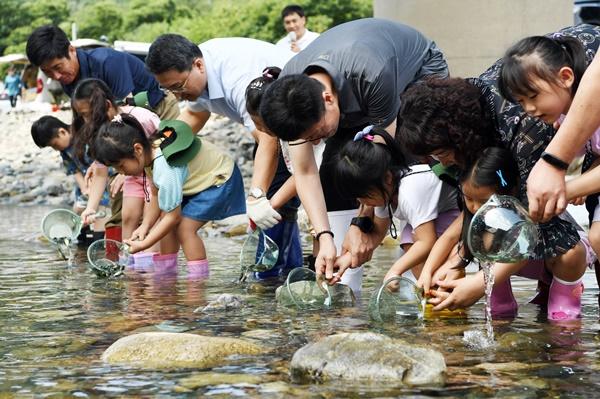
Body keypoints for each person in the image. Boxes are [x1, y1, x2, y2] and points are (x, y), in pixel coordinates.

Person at [397, 25, 600, 301]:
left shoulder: (530, 119)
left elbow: (530, 215)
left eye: (441, 153)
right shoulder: (487, 114)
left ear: (458, 137)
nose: (440, 162)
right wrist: (453, 263)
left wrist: (480, 283)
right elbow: (475, 210)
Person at [260, 18, 449, 291]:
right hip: (351, 98)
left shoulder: (374, 75)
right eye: (308, 139)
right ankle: (344, 289)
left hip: (415, 74)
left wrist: (362, 223)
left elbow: (379, 157)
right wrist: (324, 236)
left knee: (408, 168)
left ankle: (419, 269)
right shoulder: (292, 93)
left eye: (317, 134)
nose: (316, 141)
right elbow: (304, 171)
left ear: (327, 99)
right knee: (334, 173)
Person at [145, 34, 303, 277]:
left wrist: (255, 196)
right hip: (272, 131)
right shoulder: (198, 74)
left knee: (269, 203)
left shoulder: (237, 77)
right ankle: (290, 274)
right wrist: (154, 151)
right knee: (279, 206)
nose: (176, 96)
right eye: (169, 90)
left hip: (300, 119)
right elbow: (194, 117)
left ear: (198, 65)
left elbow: (268, 139)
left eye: (178, 87)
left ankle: (267, 279)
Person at [422, 147, 591, 320]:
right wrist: (427, 273)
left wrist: (476, 286)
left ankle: (565, 313)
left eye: (483, 201)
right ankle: (502, 310)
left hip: (555, 255)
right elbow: (449, 237)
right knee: (499, 311)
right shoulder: (477, 215)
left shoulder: (528, 206)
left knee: (570, 257)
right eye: (468, 198)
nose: (474, 207)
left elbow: (524, 247)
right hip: (517, 263)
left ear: (508, 193)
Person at [93, 115, 246, 277]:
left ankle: (197, 283)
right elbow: (155, 193)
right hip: (199, 180)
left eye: (121, 166)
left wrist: (146, 243)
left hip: (219, 179)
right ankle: (166, 275)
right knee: (166, 219)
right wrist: (145, 225)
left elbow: (173, 217)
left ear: (137, 149)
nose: (121, 172)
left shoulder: (164, 167)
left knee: (184, 229)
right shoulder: (149, 153)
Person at [497, 34, 600, 273]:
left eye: (533, 96)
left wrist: (569, 190)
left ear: (565, 77)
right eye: (521, 102)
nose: (529, 109)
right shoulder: (564, 120)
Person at [328, 125, 459, 285]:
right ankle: (431, 294)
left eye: (365, 196)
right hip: (441, 214)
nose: (363, 203)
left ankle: (440, 290)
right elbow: (377, 234)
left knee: (413, 241)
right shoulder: (386, 194)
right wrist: (346, 260)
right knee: (408, 238)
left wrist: (395, 270)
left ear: (388, 177)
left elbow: (427, 241)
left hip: (459, 211)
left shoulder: (410, 190)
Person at [71, 78, 160, 243]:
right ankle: (130, 263)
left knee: (151, 219)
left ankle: (151, 261)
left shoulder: (139, 117)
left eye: (88, 114)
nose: (87, 121)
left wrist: (124, 173)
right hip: (133, 177)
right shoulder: (99, 133)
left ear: (107, 105)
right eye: (82, 116)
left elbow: (164, 143)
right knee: (128, 218)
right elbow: (100, 172)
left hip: (156, 175)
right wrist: (90, 208)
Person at [25, 25, 179, 120]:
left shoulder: (107, 61)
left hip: (158, 107)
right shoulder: (68, 80)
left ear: (71, 50)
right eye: (47, 72)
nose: (56, 77)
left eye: (58, 67)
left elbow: (128, 110)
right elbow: (87, 118)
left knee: (173, 159)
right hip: (125, 115)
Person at [30, 115, 109, 237]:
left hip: (103, 183)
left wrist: (92, 189)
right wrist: (84, 188)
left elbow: (103, 168)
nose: (56, 149)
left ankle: (97, 243)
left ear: (62, 132)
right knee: (77, 212)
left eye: (54, 145)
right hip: (86, 185)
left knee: (100, 214)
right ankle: (81, 241)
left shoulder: (85, 137)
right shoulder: (64, 150)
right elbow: (74, 169)